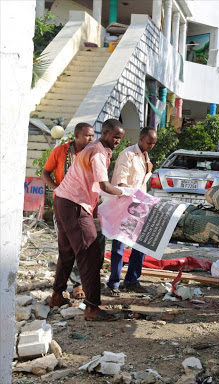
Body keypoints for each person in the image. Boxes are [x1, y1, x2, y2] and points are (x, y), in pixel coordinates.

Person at [48, 119, 127, 321]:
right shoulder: (98, 152)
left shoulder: (94, 149)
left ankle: (57, 296)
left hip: (64, 201)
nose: (118, 141)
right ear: (106, 133)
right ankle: (92, 307)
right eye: (115, 137)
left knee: (67, 253)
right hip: (74, 204)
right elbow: (104, 186)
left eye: (120, 138)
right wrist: (127, 194)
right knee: (90, 253)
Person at [42, 122, 95, 300]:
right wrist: (57, 189)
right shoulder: (60, 151)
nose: (91, 139)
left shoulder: (91, 153)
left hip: (83, 205)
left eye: (93, 135)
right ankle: (78, 286)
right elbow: (45, 173)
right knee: (74, 247)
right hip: (64, 204)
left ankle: (61, 291)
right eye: (88, 135)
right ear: (77, 136)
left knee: (72, 248)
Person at [107, 127, 157, 295]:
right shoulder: (127, 154)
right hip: (125, 205)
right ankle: (114, 282)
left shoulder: (145, 156)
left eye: (154, 144)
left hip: (140, 207)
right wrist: (132, 196)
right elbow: (120, 182)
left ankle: (131, 280)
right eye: (149, 142)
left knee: (141, 244)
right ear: (141, 139)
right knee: (119, 246)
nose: (151, 146)